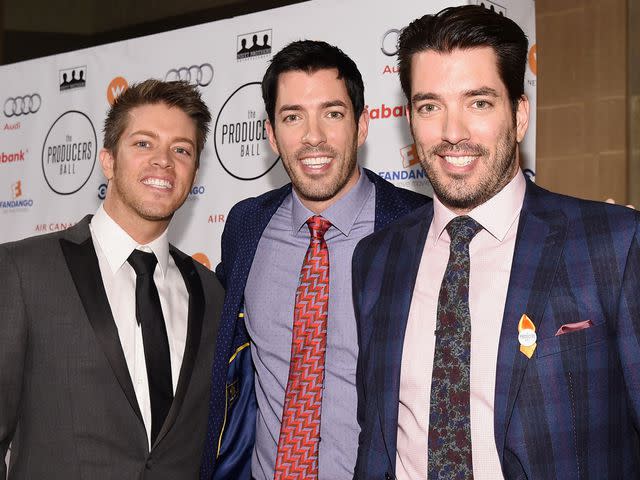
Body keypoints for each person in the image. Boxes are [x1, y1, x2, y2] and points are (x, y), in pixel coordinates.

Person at [353, 5, 640, 480]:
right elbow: (378, 438)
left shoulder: (612, 244)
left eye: (479, 102)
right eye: (430, 106)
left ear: (519, 114)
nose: (452, 132)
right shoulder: (376, 259)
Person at [200, 40, 428, 479]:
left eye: (333, 113)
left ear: (362, 125)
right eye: (292, 117)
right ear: (270, 134)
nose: (313, 137)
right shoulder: (246, 226)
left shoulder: (418, 228)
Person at [0, 79, 224, 479]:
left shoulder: (211, 292)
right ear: (108, 160)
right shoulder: (23, 271)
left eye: (181, 150)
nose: (163, 161)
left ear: (194, 171)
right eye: (143, 143)